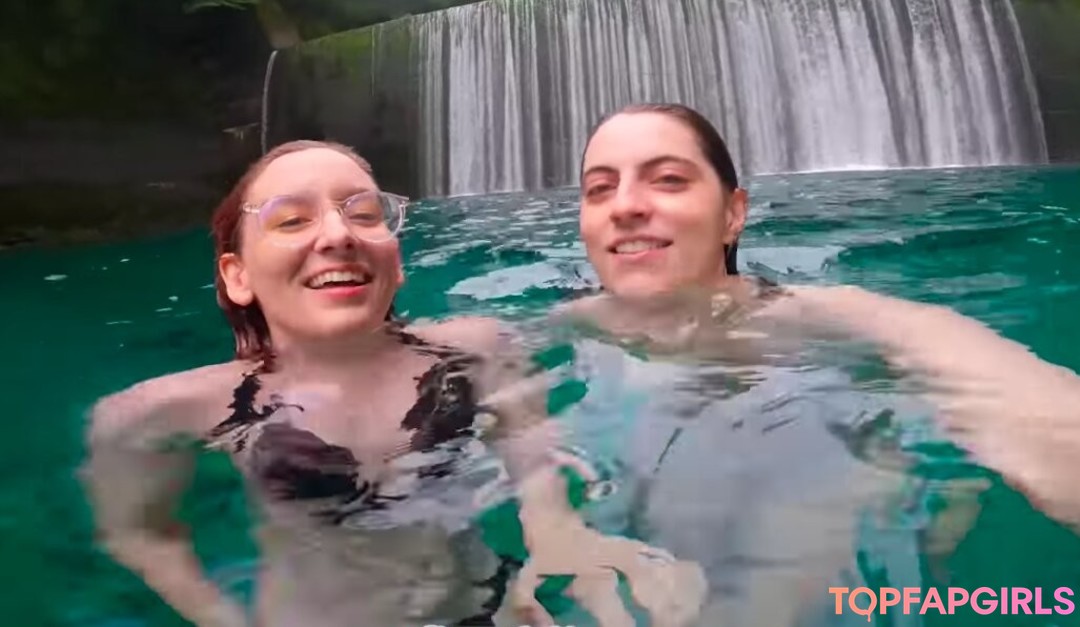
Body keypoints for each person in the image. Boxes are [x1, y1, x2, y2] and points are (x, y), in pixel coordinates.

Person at [82, 140, 707, 627]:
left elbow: (534, 458)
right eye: (291, 220)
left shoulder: (479, 349)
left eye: (364, 213)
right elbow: (139, 535)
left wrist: (558, 534)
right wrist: (224, 619)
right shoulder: (162, 411)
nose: (338, 235)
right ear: (237, 275)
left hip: (490, 605)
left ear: (397, 259)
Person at [559, 102, 1080, 623]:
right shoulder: (563, 325)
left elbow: (980, 371)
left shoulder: (826, 317)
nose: (624, 206)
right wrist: (549, 521)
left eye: (668, 180)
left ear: (733, 214)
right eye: (599, 188)